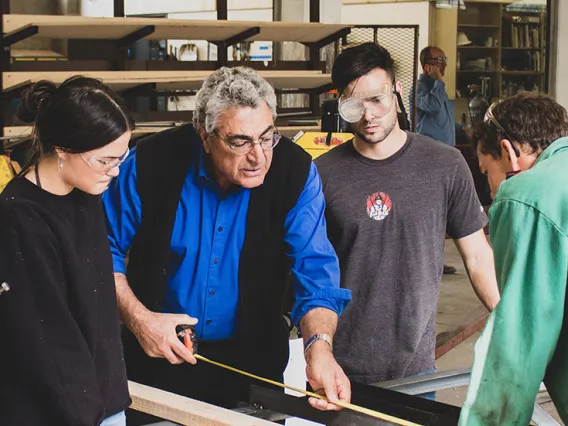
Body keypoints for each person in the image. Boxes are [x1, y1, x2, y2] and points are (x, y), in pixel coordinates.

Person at [101, 66, 352, 420]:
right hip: (154, 359)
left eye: (267, 137)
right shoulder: (151, 162)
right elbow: (101, 250)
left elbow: (314, 270)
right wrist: (139, 319)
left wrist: (319, 347)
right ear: (205, 136)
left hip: (253, 364)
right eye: (240, 142)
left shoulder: (295, 172)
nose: (259, 156)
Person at [315, 42, 500, 390]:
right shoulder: (322, 174)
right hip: (337, 369)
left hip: (415, 368)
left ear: (397, 92)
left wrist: (507, 321)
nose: (368, 115)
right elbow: (308, 270)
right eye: (353, 104)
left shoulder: (445, 165)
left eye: (377, 99)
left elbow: (476, 256)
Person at [0, 76, 133, 426]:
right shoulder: (19, 219)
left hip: (103, 401)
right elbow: (46, 342)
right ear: (62, 149)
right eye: (105, 160)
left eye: (121, 158)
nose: (114, 171)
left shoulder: (85, 192)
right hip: (59, 412)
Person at [459, 92, 568, 425]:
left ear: (507, 152)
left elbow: (521, 335)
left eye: (487, 172)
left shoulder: (526, 193)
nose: (491, 190)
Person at [416, 45, 464, 274]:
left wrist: (464, 130)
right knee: (431, 208)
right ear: (427, 65)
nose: (444, 63)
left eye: (445, 58)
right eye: (439, 59)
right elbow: (431, 107)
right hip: (429, 156)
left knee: (443, 209)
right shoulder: (422, 87)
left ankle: (437, 258)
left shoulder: (439, 88)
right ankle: (429, 259)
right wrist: (436, 82)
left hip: (446, 154)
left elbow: (444, 119)